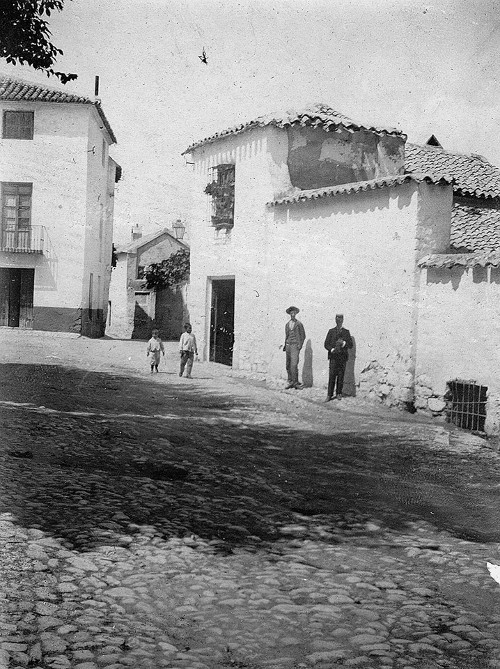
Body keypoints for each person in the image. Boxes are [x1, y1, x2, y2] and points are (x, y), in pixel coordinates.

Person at [324, 314, 353, 401]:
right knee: (332, 375)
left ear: (343, 320)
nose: (339, 321)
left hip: (342, 357)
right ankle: (329, 395)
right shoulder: (331, 331)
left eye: (340, 319)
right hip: (333, 357)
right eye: (337, 319)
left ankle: (339, 393)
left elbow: (350, 345)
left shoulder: (346, 332)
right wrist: (332, 349)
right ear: (335, 320)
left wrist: (344, 343)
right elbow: (326, 344)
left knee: (341, 376)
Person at [283, 306, 306, 389]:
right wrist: (285, 345)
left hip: (295, 346)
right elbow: (287, 335)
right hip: (288, 345)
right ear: (289, 314)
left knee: (294, 364)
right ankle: (290, 381)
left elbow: (303, 335)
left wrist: (299, 345)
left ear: (296, 314)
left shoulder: (299, 324)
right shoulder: (287, 324)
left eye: (294, 313)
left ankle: (295, 383)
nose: (292, 314)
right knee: (288, 365)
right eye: (291, 313)